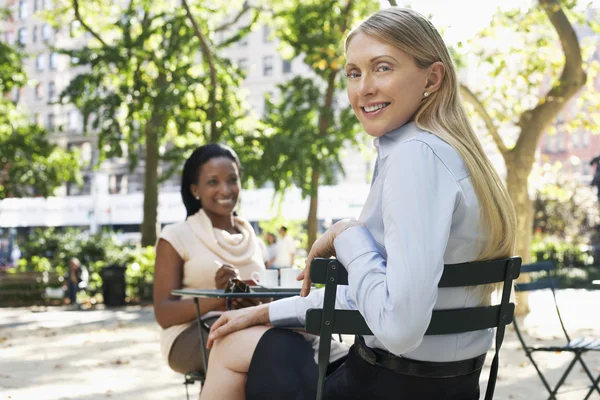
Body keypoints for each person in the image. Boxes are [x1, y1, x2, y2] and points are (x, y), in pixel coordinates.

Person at [198, 8, 516, 400]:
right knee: (261, 334)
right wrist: (262, 311)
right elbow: (380, 294)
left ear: (432, 78)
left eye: (382, 67)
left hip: (384, 387)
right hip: (452, 387)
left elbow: (399, 326)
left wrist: (348, 235)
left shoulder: (415, 157)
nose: (362, 88)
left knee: (231, 347)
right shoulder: (452, 156)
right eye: (353, 73)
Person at [152, 143, 266, 376]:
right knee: (266, 348)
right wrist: (220, 300)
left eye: (232, 180)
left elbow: (261, 299)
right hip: (191, 334)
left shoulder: (251, 237)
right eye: (213, 182)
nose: (225, 190)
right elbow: (163, 314)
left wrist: (253, 300)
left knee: (301, 340)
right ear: (195, 190)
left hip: (250, 326)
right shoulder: (176, 236)